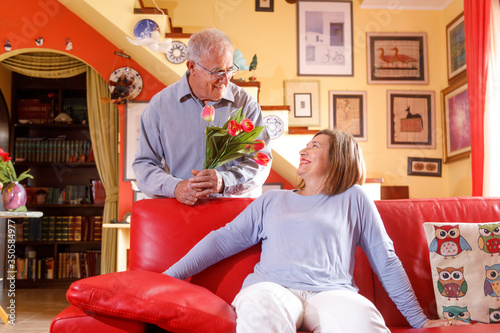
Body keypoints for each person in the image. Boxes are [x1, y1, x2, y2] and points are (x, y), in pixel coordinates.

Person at [163, 129, 469, 332]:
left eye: (315, 145)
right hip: (274, 287)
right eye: (307, 144)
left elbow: (385, 260)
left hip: (333, 292)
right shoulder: (272, 200)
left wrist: (419, 320)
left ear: (338, 159)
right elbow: (222, 240)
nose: (303, 150)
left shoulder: (355, 198)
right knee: (259, 306)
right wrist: (169, 278)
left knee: (363, 321)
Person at [132, 28, 272, 206]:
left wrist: (224, 181)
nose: (226, 80)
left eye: (229, 70)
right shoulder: (160, 106)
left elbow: (260, 162)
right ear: (192, 67)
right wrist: (174, 187)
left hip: (238, 217)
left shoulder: (246, 105)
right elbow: (144, 165)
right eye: (217, 72)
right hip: (184, 213)